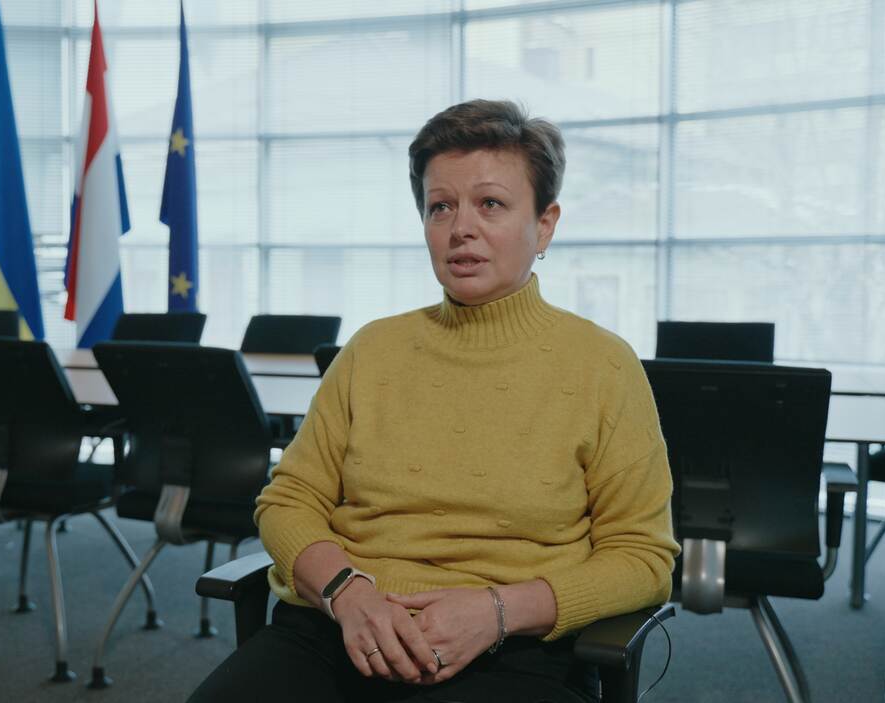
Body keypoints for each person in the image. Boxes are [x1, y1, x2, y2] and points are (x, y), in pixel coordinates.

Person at [189, 99, 679, 703]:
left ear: (545, 224)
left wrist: (498, 611)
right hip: (339, 625)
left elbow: (643, 557)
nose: (460, 228)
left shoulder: (604, 365)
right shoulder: (372, 349)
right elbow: (288, 500)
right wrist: (347, 592)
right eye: (439, 206)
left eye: (490, 203)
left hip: (512, 649)